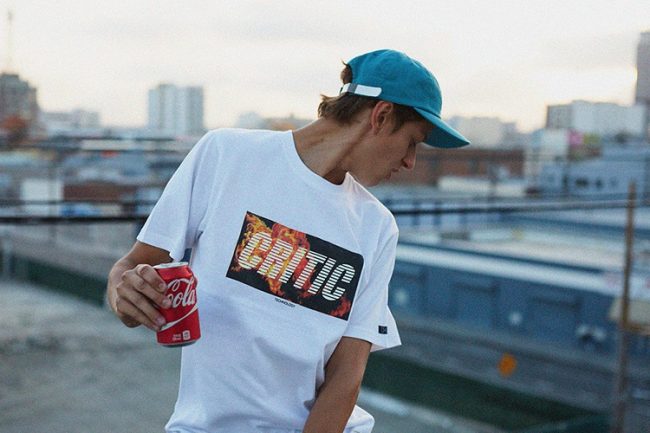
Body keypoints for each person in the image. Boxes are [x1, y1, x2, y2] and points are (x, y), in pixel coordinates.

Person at [106, 49, 469, 433]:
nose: (411, 161)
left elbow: (346, 377)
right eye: (413, 141)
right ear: (381, 116)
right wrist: (125, 294)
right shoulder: (227, 156)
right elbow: (131, 268)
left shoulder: (376, 227)